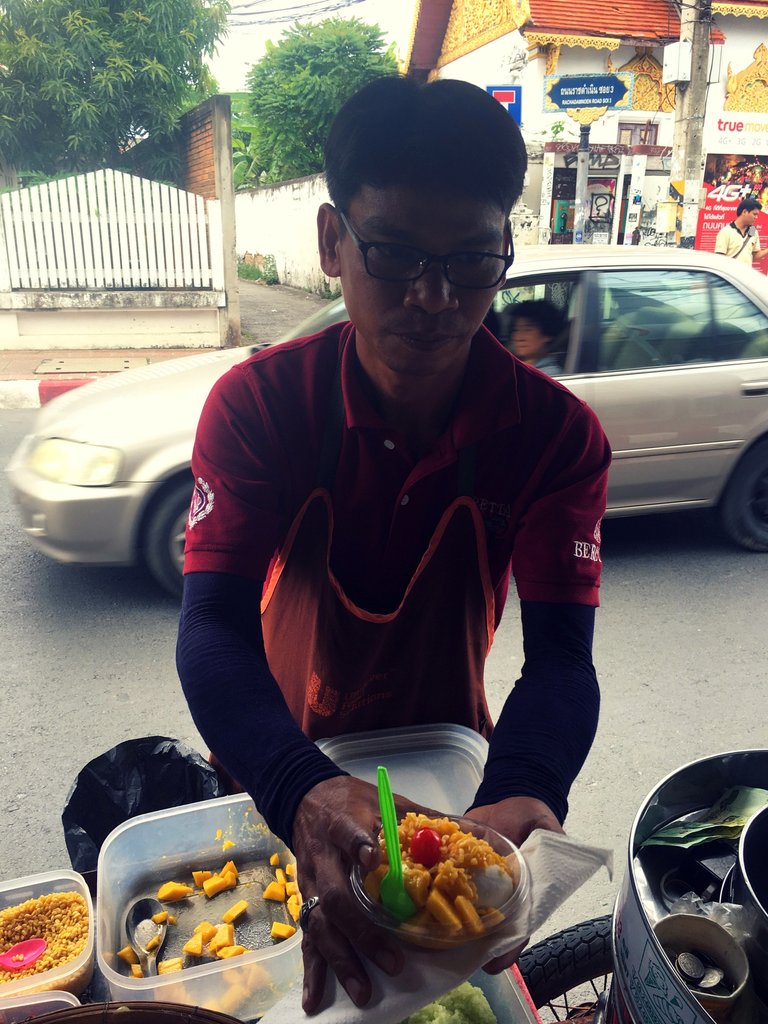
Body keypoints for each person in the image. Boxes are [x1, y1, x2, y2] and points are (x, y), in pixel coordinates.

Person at [177, 74, 611, 1014]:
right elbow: (210, 628)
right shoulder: (260, 408)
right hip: (274, 746)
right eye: (396, 254)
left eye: (469, 261)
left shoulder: (556, 438)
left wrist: (526, 787)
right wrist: (298, 788)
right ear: (335, 242)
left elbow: (564, 664)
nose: (435, 297)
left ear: (505, 249)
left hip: (446, 753)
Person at [507, 298, 565, 376]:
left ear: (547, 335)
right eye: (516, 330)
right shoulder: (516, 366)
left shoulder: (550, 375)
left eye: (527, 329)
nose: (519, 337)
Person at [714, 197, 768, 266]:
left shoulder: (753, 231)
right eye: (754, 214)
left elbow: (754, 256)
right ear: (744, 212)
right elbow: (719, 259)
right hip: (730, 276)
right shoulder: (726, 232)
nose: (756, 217)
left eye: (757, 215)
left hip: (745, 276)